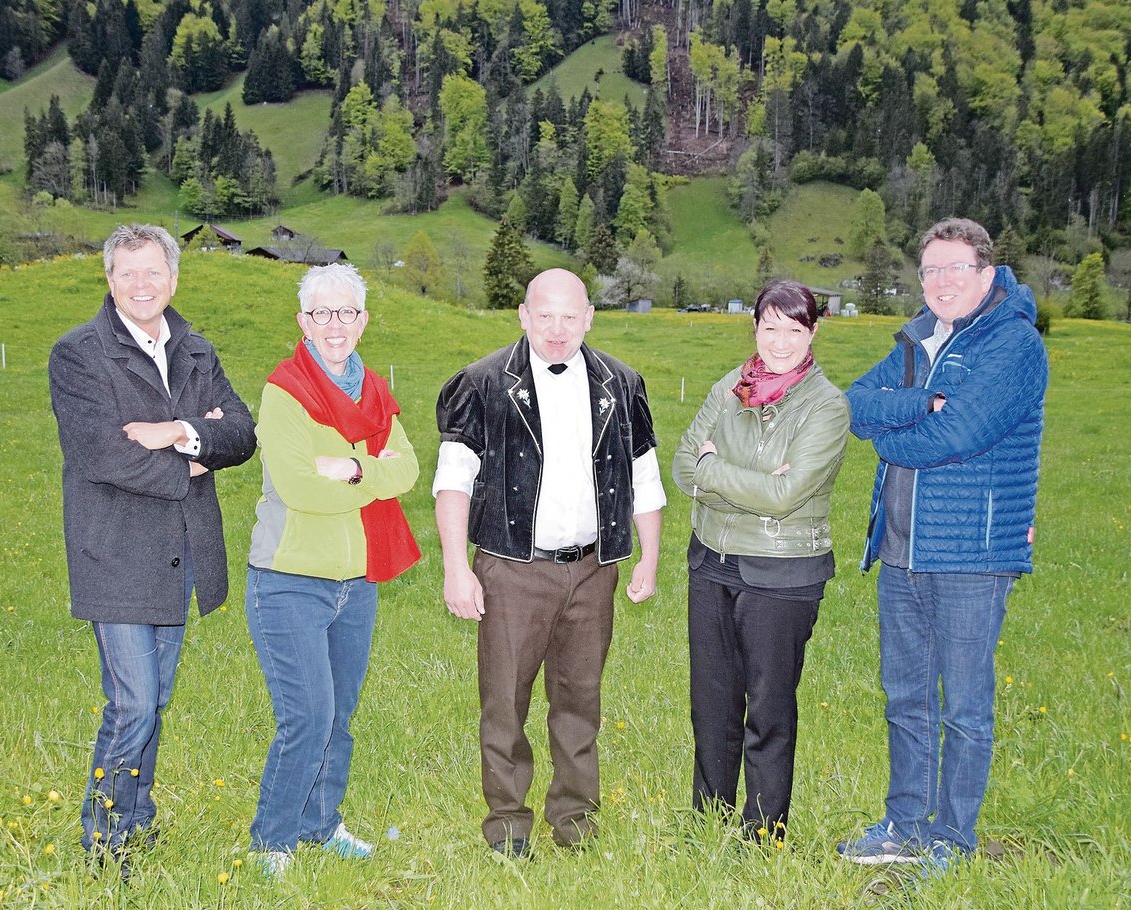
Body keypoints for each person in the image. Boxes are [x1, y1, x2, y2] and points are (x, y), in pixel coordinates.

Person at [433, 268, 666, 858]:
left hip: (594, 570)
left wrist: (649, 560)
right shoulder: (481, 383)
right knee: (505, 702)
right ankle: (508, 827)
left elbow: (645, 476)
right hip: (512, 569)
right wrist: (456, 568)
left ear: (589, 317)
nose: (558, 330)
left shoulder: (623, 383)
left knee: (580, 700)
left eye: (570, 317)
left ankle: (576, 823)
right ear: (523, 315)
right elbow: (453, 482)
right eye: (545, 315)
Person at [838, 217, 1047, 869]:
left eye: (956, 268)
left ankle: (953, 837)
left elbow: (959, 436)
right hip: (900, 552)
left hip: (971, 556)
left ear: (986, 274)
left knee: (964, 707)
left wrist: (893, 431)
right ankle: (903, 824)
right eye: (930, 270)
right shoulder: (918, 339)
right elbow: (853, 404)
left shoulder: (1012, 344)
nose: (942, 282)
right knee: (905, 696)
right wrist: (921, 402)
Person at [48, 223, 256, 871]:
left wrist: (174, 432)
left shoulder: (195, 349)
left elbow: (243, 434)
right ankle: (104, 842)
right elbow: (101, 454)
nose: (142, 285)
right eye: (127, 273)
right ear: (109, 280)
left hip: (180, 552)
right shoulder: (79, 353)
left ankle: (135, 820)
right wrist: (196, 457)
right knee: (133, 701)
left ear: (173, 278)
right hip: (113, 553)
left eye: (153, 272)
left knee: (154, 700)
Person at [244, 263, 420, 874]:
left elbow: (408, 470)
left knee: (339, 717)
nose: (335, 324)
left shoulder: (373, 390)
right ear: (303, 322)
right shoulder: (284, 390)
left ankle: (321, 825)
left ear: (363, 320)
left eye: (346, 312)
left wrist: (347, 468)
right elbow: (299, 489)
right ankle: (272, 841)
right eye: (322, 313)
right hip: (289, 579)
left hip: (357, 581)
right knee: (308, 716)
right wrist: (372, 472)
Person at [672, 280, 850, 844]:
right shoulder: (730, 387)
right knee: (712, 698)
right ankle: (709, 815)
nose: (779, 341)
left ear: (812, 332)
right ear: (755, 327)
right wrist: (733, 478)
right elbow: (682, 466)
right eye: (770, 327)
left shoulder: (827, 406)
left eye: (793, 330)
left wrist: (714, 471)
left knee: (769, 706)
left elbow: (786, 495)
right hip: (712, 562)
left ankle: (764, 829)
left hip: (782, 572)